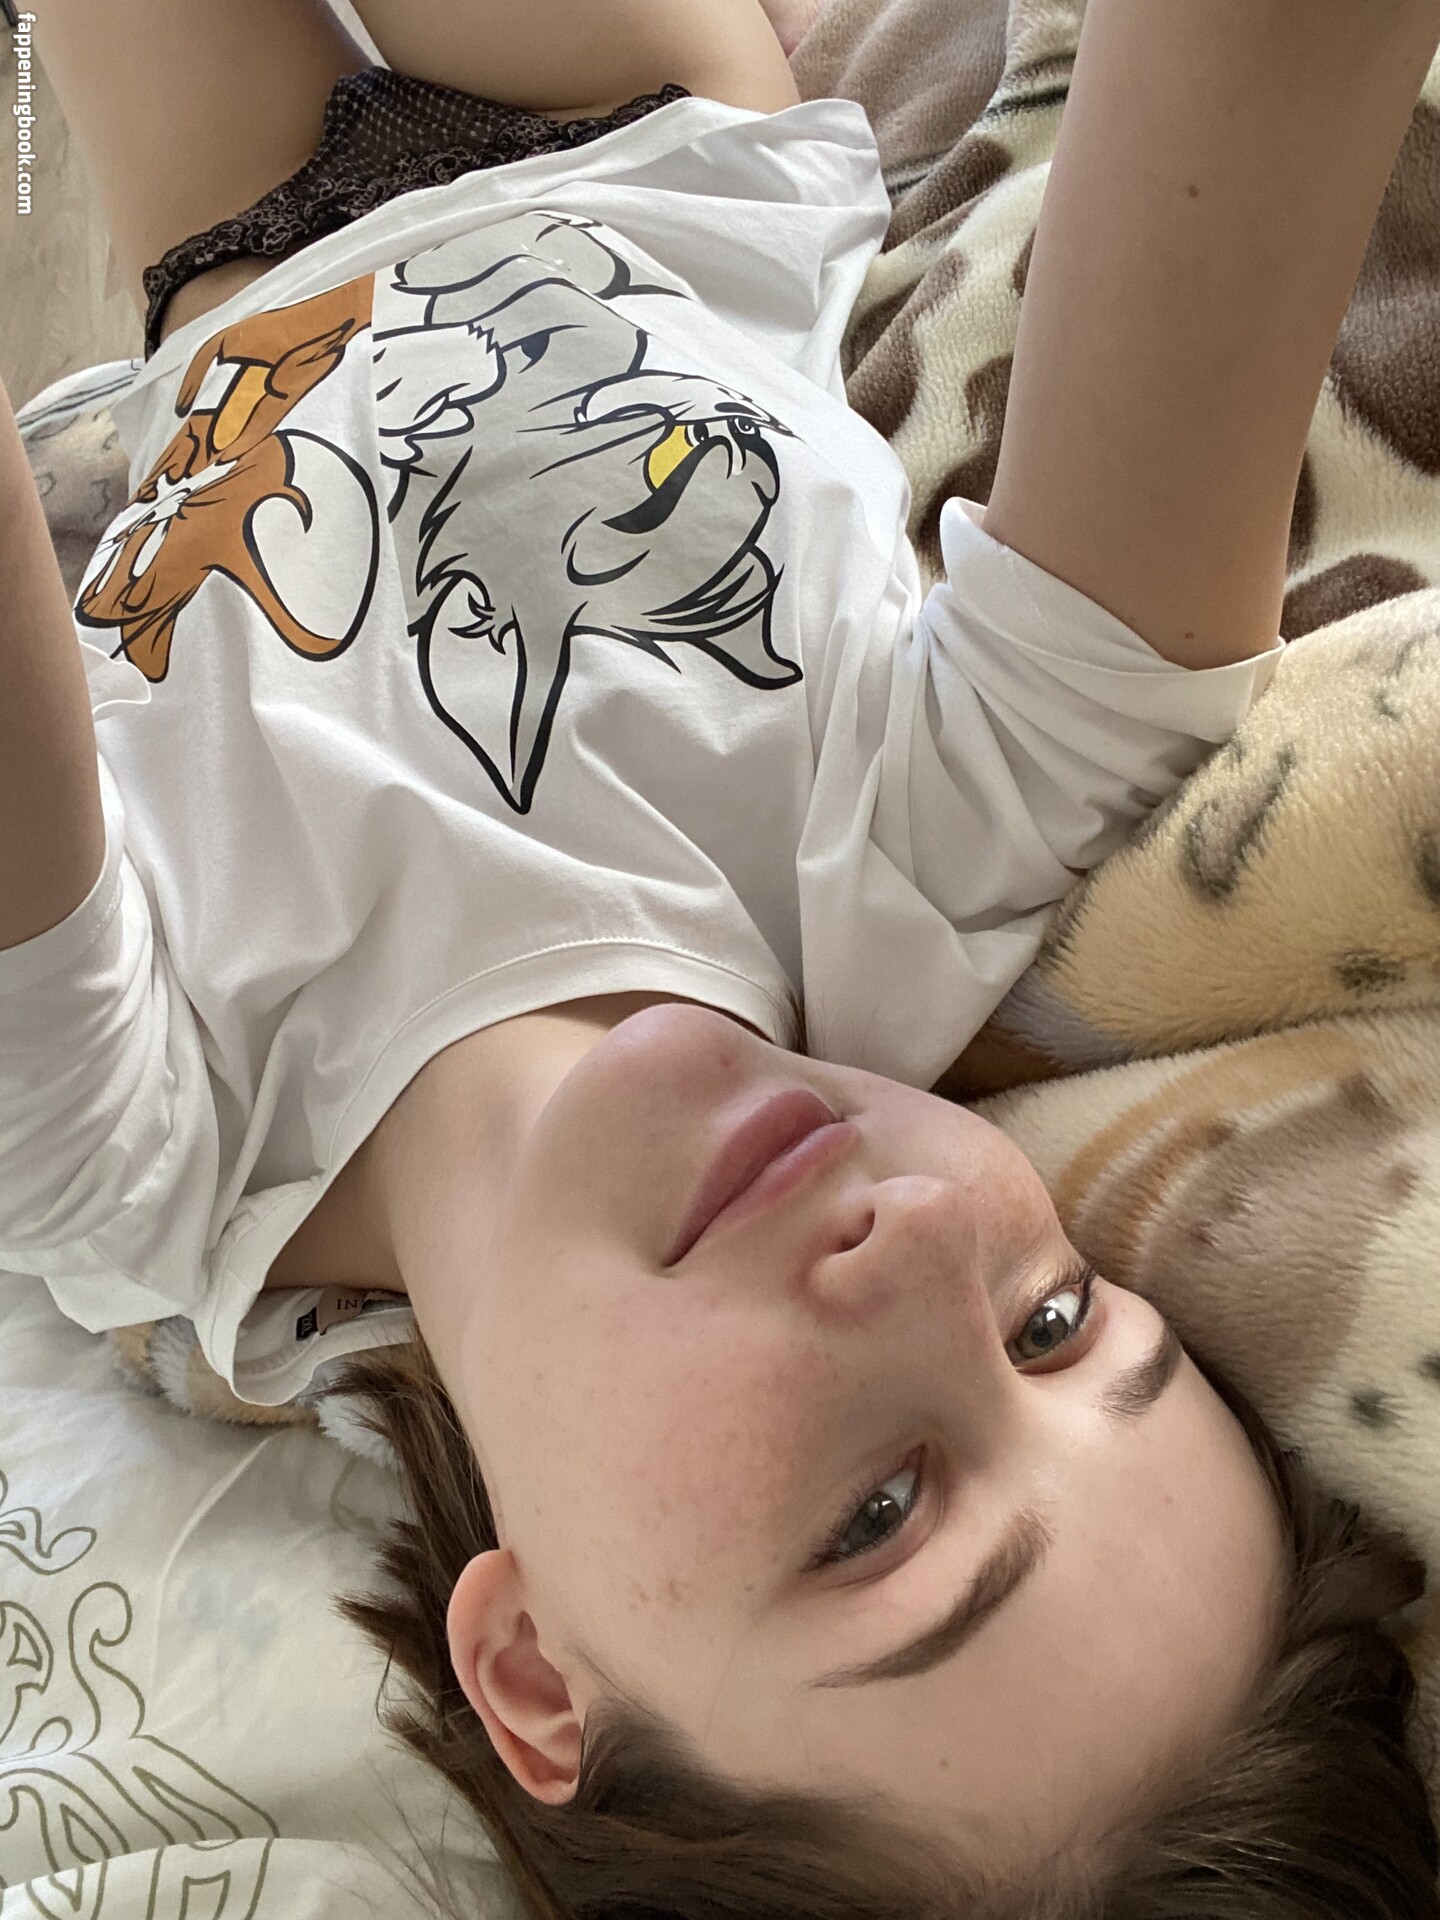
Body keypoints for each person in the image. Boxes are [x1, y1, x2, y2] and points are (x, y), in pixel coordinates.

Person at [4, 0, 1439, 1909]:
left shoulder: (123, 1143)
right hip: (626, 107)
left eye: (877, 1514)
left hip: (234, 269)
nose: (920, 1243)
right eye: (1056, 1325)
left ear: (537, 1677)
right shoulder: (933, 869)